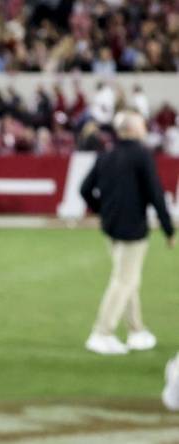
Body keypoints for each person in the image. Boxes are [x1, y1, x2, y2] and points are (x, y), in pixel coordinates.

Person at [81, 110, 175, 355]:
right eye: (142, 125)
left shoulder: (107, 155)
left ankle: (136, 330)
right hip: (132, 229)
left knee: (128, 279)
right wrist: (168, 229)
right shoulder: (141, 155)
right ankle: (101, 332)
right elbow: (155, 193)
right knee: (124, 281)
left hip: (112, 228)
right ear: (132, 129)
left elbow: (85, 189)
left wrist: (102, 210)